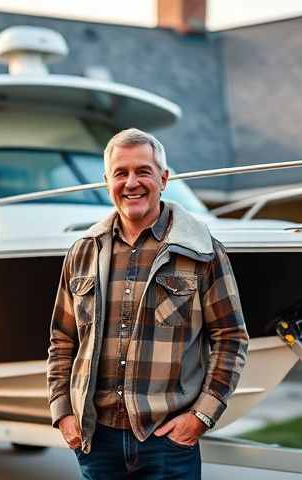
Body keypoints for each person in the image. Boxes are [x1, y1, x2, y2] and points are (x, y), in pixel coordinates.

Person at [46, 128, 248, 479]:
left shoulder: (202, 251)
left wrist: (201, 416)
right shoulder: (82, 251)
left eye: (143, 171)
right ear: (107, 181)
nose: (131, 183)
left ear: (164, 179)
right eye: (120, 173)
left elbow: (231, 338)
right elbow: (62, 340)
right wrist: (63, 412)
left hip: (168, 443)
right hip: (98, 441)